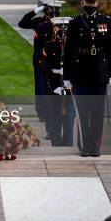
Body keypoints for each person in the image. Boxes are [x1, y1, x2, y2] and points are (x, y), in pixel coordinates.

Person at [63, 0, 111, 157]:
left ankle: (95, 146)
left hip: (100, 73)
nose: (90, 6)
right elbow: (69, 51)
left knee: (98, 113)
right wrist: (67, 77)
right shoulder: (75, 23)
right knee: (83, 113)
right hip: (81, 73)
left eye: (93, 3)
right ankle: (85, 146)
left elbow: (110, 50)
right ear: (83, 3)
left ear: (97, 4)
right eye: (88, 3)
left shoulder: (105, 22)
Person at [18, 0, 61, 122]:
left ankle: (52, 112)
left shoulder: (61, 23)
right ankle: (43, 113)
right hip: (40, 61)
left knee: (53, 87)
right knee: (41, 88)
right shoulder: (40, 22)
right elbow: (23, 23)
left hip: (55, 61)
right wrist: (34, 11)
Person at [39, 16, 75, 146]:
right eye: (59, 27)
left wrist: (71, 81)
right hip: (54, 87)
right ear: (54, 28)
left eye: (65, 27)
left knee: (69, 119)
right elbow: (44, 66)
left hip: (70, 88)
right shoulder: (49, 45)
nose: (62, 30)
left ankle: (68, 144)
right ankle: (56, 144)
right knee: (55, 119)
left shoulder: (74, 46)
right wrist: (55, 86)